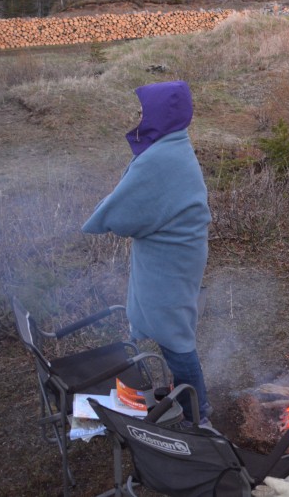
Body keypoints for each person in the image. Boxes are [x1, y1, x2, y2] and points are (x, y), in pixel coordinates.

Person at [82, 80, 213, 424]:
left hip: (172, 255)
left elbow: (125, 216)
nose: (138, 117)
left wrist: (105, 213)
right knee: (156, 319)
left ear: (161, 114)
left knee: (173, 333)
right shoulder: (172, 145)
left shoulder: (162, 157)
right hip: (170, 250)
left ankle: (199, 415)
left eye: (143, 111)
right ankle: (155, 393)